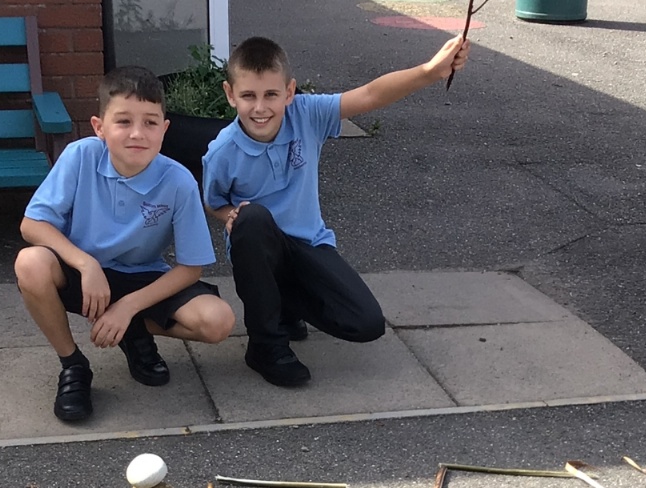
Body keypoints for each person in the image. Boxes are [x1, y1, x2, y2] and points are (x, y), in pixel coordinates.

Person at [200, 35, 469, 387]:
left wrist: (430, 71)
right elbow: (214, 201)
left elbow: (369, 94)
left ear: (290, 92)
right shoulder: (222, 151)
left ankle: (284, 306)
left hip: (310, 245)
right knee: (252, 219)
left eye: (271, 95)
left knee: (366, 323)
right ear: (230, 94)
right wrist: (229, 217)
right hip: (259, 250)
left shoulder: (307, 114)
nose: (260, 107)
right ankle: (266, 346)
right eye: (248, 95)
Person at [15, 66, 235, 423]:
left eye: (150, 122)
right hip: (83, 275)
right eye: (123, 121)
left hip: (142, 277)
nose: (137, 133)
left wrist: (127, 308)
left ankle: (132, 331)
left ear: (164, 129)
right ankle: (73, 365)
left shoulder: (178, 181)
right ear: (99, 127)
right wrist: (86, 264)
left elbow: (190, 268)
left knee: (217, 321)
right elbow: (32, 224)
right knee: (30, 263)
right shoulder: (80, 156)